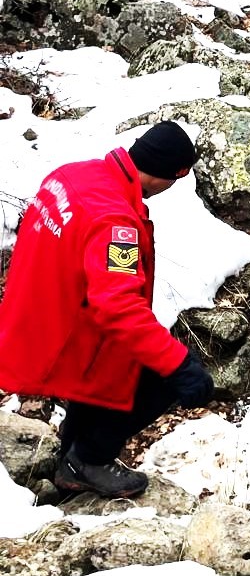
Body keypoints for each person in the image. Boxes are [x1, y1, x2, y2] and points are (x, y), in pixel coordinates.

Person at [0, 123, 215, 499]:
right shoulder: (115, 220)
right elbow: (116, 305)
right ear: (176, 174)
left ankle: (70, 455)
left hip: (40, 314)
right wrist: (178, 365)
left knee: (113, 356)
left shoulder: (73, 175)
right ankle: (89, 460)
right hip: (65, 334)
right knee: (164, 375)